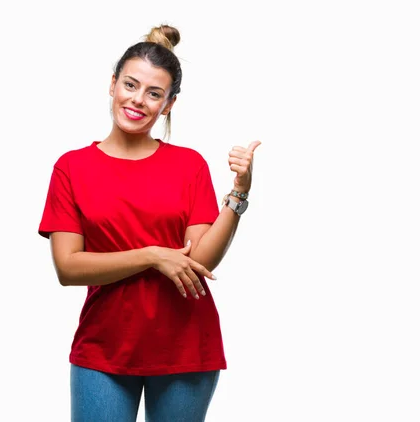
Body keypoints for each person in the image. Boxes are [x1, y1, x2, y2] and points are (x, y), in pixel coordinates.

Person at [38, 24, 260, 422]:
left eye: (154, 93)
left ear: (169, 104)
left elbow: (202, 260)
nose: (138, 100)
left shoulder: (188, 165)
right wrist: (153, 255)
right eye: (131, 85)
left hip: (187, 346)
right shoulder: (72, 167)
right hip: (103, 348)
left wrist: (239, 193)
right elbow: (68, 267)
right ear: (112, 84)